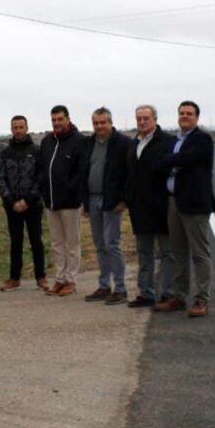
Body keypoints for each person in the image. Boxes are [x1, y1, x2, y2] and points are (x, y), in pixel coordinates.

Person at [154, 101, 215, 318]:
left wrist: (169, 161)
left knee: (200, 254)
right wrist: (171, 161)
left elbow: (187, 159)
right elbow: (161, 163)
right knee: (178, 252)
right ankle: (179, 296)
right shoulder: (174, 140)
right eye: (181, 113)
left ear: (197, 117)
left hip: (195, 204)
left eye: (189, 113)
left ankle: (202, 299)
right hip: (174, 202)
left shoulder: (203, 139)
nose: (185, 116)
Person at [125, 105, 176, 308]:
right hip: (139, 208)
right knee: (144, 253)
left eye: (146, 118)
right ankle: (145, 293)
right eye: (139, 119)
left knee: (167, 253)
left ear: (155, 119)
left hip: (162, 206)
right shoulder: (133, 144)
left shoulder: (168, 142)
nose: (142, 122)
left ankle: (168, 293)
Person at [82, 107, 132, 305]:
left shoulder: (123, 144)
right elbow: (83, 171)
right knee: (100, 245)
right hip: (92, 200)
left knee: (112, 244)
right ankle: (104, 286)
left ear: (110, 122)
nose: (99, 126)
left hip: (112, 202)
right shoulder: (88, 143)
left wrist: (124, 200)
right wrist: (85, 202)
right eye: (96, 123)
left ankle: (120, 289)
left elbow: (130, 175)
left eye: (103, 122)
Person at [38, 104, 87, 297]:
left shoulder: (79, 141)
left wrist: (73, 192)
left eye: (60, 119)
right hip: (50, 202)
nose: (57, 123)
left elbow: (81, 172)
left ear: (68, 118)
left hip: (71, 202)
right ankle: (59, 278)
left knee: (72, 244)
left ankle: (71, 280)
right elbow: (41, 169)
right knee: (57, 243)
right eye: (54, 120)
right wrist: (43, 190)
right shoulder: (47, 142)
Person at [0, 115, 47, 292]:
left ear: (26, 128)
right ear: (11, 130)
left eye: (21, 127)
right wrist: (11, 201)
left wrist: (27, 200)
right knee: (15, 241)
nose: (18, 130)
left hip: (32, 205)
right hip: (12, 206)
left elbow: (40, 178)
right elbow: (0, 178)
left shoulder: (36, 150)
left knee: (36, 241)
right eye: (15, 127)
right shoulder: (5, 153)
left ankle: (41, 277)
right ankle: (14, 277)